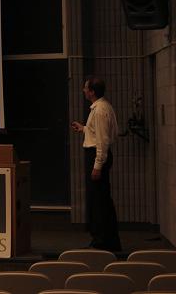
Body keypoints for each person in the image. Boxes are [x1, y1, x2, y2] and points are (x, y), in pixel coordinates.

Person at [71, 76, 122, 252]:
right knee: (102, 199)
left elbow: (102, 141)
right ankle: (109, 240)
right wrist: (85, 129)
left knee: (99, 201)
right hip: (98, 155)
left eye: (86, 88)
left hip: (97, 156)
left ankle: (102, 241)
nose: (84, 90)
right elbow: (101, 133)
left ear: (92, 92)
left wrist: (97, 165)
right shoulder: (103, 106)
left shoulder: (99, 111)